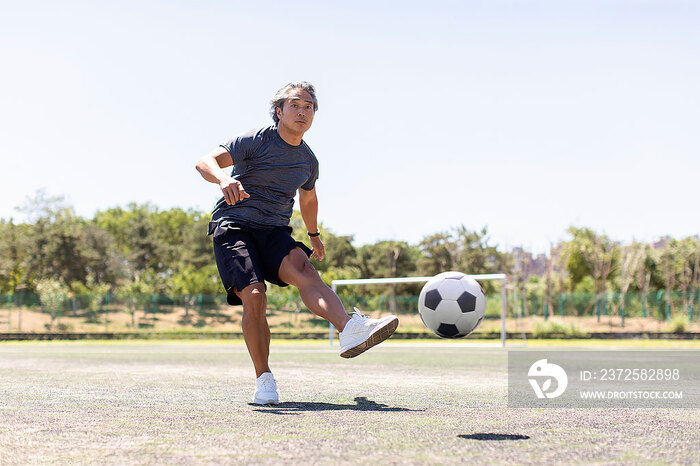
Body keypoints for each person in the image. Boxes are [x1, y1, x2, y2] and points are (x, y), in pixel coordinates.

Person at [195, 82, 399, 405]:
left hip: (274, 230)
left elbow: (308, 199)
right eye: (295, 105)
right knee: (255, 294)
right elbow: (204, 161)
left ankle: (349, 329)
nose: (302, 111)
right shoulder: (256, 140)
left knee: (305, 270)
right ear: (279, 111)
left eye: (309, 107)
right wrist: (223, 179)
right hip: (234, 226)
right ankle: (264, 380)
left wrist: (314, 235)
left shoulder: (308, 160)